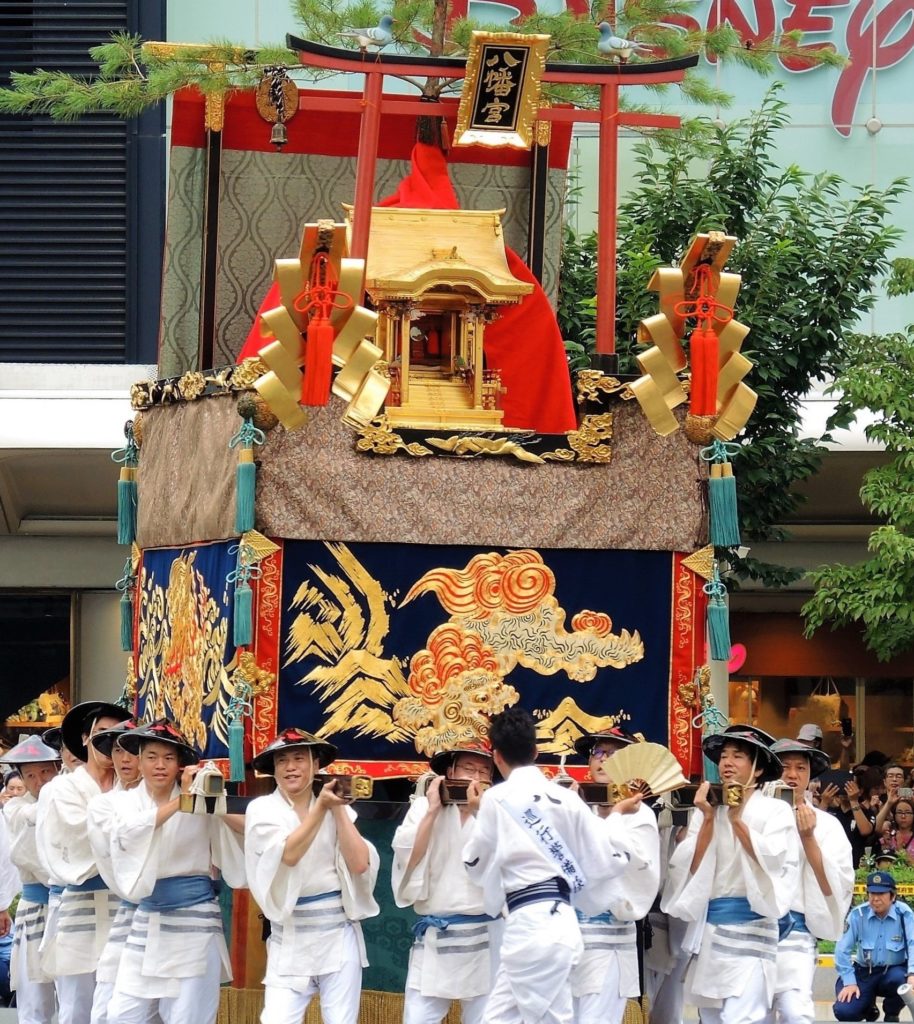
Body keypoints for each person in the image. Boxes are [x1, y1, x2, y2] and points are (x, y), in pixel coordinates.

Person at [461, 707, 638, 1024]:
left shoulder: (494, 800)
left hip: (529, 927)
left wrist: (477, 814)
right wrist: (617, 817)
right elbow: (607, 857)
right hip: (560, 922)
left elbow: (475, 865)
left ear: (496, 755)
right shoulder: (567, 799)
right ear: (535, 751)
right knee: (500, 1017)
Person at [105, 718, 246, 1024]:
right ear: (139, 761)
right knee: (121, 1015)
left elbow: (251, 829)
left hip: (194, 919)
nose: (160, 765)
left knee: (187, 1016)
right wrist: (183, 801)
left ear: (180, 765)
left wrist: (213, 802)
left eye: (169, 758)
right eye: (152, 757)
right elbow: (129, 833)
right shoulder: (125, 803)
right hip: (146, 918)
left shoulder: (198, 799)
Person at [661, 724, 800, 1024]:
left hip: (753, 927)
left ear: (758, 769)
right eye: (724, 756)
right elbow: (690, 869)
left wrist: (738, 821)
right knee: (712, 1017)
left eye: (737, 756)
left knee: (743, 1017)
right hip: (712, 930)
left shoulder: (775, 811)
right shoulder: (708, 810)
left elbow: (773, 862)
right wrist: (709, 819)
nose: (727, 763)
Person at [245, 727, 379, 1024]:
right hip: (289, 935)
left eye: (298, 758)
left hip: (337, 932)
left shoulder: (332, 806)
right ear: (274, 770)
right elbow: (289, 854)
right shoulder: (262, 809)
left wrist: (338, 808)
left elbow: (359, 864)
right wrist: (321, 808)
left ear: (316, 765)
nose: (290, 767)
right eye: (282, 761)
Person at [36, 700, 131, 1024]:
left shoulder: (131, 788)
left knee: (120, 1002)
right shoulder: (62, 787)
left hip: (124, 904)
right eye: (102, 733)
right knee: (76, 1004)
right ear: (87, 739)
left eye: (119, 736)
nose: (110, 742)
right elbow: (76, 836)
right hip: (81, 901)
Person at [392, 743, 501, 1024]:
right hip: (436, 936)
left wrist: (481, 812)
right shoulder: (423, 807)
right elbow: (409, 858)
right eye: (468, 768)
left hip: (484, 935)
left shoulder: (497, 812)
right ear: (450, 771)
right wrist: (431, 810)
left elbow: (506, 863)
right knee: (418, 1018)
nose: (476, 777)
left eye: (483, 771)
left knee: (486, 1018)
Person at [570, 729, 660, 1024]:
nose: (603, 759)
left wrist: (618, 813)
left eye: (613, 754)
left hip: (608, 938)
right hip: (570, 940)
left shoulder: (640, 814)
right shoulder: (576, 807)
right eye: (598, 753)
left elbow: (628, 866)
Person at [766, 738, 854, 1024]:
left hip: (796, 931)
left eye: (800, 768)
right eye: (784, 767)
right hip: (752, 928)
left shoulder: (826, 824)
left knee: (795, 1010)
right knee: (751, 1014)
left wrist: (808, 838)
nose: (792, 774)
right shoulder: (752, 816)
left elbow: (835, 885)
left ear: (809, 775)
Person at [1, 736, 61, 1024]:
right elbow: (28, 822)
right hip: (36, 904)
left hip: (70, 904)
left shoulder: (70, 797)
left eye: (45, 771)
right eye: (31, 775)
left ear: (56, 768)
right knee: (34, 996)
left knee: (76, 994)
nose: (39, 780)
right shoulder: (16, 808)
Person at [85, 721, 140, 1024]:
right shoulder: (103, 805)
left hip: (174, 913)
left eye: (133, 750)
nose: (125, 758)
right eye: (118, 750)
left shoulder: (173, 800)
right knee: (109, 1007)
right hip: (124, 904)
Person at [833, 872, 914, 1023]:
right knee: (845, 1012)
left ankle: (892, 1012)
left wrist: (912, 974)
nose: (875, 899)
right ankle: (868, 1008)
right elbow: (841, 950)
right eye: (872, 893)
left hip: (893, 971)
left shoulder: (904, 914)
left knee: (900, 981)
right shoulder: (858, 915)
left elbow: (913, 944)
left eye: (881, 894)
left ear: (893, 896)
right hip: (865, 971)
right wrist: (850, 982)